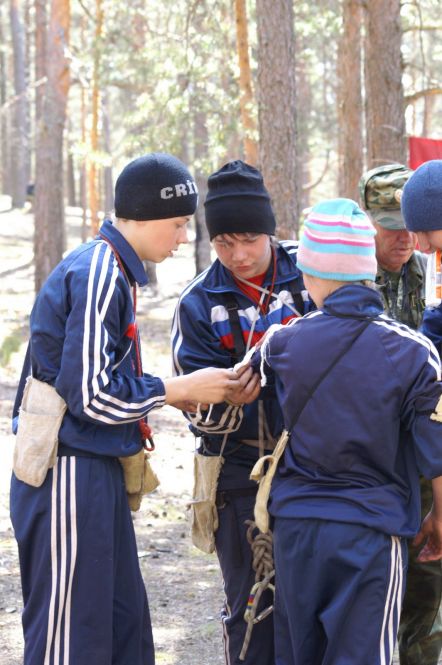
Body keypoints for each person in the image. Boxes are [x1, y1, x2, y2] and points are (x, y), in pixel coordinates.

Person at [9, 152, 250, 665]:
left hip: (93, 470)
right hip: (68, 472)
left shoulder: (113, 268)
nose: (184, 237)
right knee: (70, 639)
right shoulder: (99, 269)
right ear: (144, 214)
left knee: (120, 632)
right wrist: (177, 388)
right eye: (178, 223)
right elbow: (91, 395)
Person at [250, 197, 442, 665]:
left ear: (308, 273)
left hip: (296, 530)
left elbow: (240, 386)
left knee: (299, 655)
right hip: (370, 534)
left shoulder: (282, 342)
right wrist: (439, 518)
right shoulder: (414, 352)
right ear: (367, 271)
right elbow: (438, 452)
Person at [171, 160, 308, 665]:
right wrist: (226, 399)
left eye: (250, 238)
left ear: (270, 229)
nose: (239, 255)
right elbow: (193, 409)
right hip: (237, 470)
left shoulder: (309, 275)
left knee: (309, 601)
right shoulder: (198, 302)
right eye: (224, 242)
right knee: (250, 605)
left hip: (314, 466)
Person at [360, 164, 442, 665]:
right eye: (392, 226)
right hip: (377, 463)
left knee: (427, 592)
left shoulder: (426, 271)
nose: (409, 241)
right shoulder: (346, 279)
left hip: (426, 455)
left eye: (418, 230)